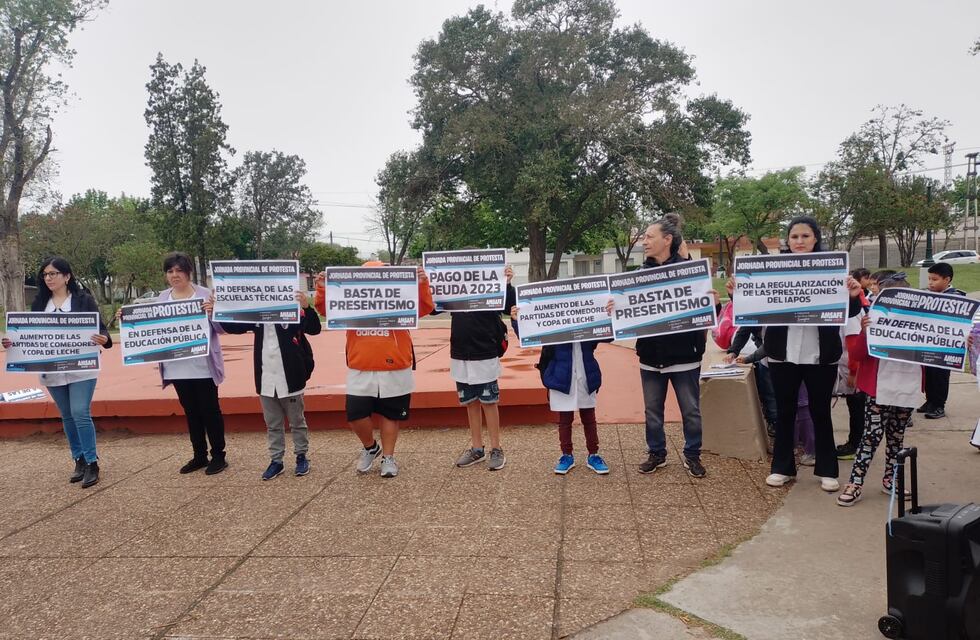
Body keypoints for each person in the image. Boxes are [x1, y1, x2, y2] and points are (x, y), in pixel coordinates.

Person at [609, 213, 709, 479]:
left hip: (685, 355)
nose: (644, 242)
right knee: (653, 410)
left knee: (691, 410)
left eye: (649, 236)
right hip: (651, 357)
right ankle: (656, 453)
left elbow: (706, 310)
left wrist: (713, 302)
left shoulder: (690, 273)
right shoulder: (639, 277)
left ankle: (692, 454)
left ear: (667, 240)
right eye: (644, 237)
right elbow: (627, 313)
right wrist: (615, 309)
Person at [314, 262, 434, 479]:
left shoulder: (401, 292)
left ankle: (389, 457)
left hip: (395, 366)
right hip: (361, 366)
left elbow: (424, 309)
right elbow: (325, 309)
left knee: (390, 415)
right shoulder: (351, 296)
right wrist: (323, 287)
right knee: (355, 415)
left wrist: (422, 284)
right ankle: (371, 447)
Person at [2, 257, 112, 488]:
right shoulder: (40, 303)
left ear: (67, 276)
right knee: (67, 415)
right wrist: (13, 343)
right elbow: (31, 335)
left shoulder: (84, 300)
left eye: (53, 274)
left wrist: (104, 338)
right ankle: (79, 459)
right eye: (46, 274)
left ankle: (92, 462)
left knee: (80, 412)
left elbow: (101, 329)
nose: (49, 278)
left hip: (82, 368)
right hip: (51, 369)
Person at [763, 216, 846, 492]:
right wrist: (740, 294)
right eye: (794, 236)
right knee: (785, 412)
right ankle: (782, 468)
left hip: (820, 355)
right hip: (782, 354)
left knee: (820, 412)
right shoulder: (773, 270)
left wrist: (854, 296)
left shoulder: (834, 269)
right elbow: (756, 307)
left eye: (805, 236)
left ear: (816, 239)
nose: (799, 241)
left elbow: (852, 311)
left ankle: (827, 470)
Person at [837, 273, 920, 506]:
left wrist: (956, 343)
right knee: (870, 436)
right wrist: (865, 333)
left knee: (896, 436)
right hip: (878, 388)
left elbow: (937, 352)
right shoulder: (871, 320)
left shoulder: (920, 324)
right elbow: (856, 354)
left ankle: (891, 479)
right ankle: (855, 482)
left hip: (907, 387)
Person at [220, 290, 320, 480]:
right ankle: (276, 460)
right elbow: (233, 326)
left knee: (297, 421)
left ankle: (301, 456)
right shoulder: (257, 315)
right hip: (266, 377)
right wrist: (217, 311)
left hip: (290, 377)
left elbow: (314, 328)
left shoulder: (291, 313)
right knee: (273, 424)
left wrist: (306, 306)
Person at [145, 252, 229, 475]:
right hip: (177, 367)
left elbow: (222, 329)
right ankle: (199, 455)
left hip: (203, 365)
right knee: (191, 412)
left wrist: (214, 313)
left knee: (210, 411)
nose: (175, 275)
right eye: (170, 271)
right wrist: (129, 321)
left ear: (188, 272)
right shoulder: (162, 298)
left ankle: (219, 455)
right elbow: (151, 328)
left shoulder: (205, 294)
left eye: (179, 270)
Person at [511, 308, 612, 475]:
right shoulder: (554, 322)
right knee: (565, 419)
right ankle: (566, 455)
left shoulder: (587, 320)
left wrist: (608, 314)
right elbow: (530, 335)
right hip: (561, 375)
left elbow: (608, 335)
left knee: (589, 417)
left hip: (586, 374)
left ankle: (593, 454)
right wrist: (516, 320)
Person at [449, 266, 516, 471]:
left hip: (485, 351)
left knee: (489, 401)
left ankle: (496, 448)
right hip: (460, 353)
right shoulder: (452, 288)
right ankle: (477, 448)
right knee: (470, 402)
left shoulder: (491, 287)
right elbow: (433, 307)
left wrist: (506, 283)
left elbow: (509, 306)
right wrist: (426, 281)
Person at [920, 262, 966, 419]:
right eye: (929, 279)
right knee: (929, 374)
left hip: (945, 347)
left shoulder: (955, 297)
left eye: (935, 279)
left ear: (947, 280)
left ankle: (939, 405)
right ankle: (930, 401)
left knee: (940, 375)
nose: (930, 283)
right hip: (929, 344)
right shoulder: (928, 295)